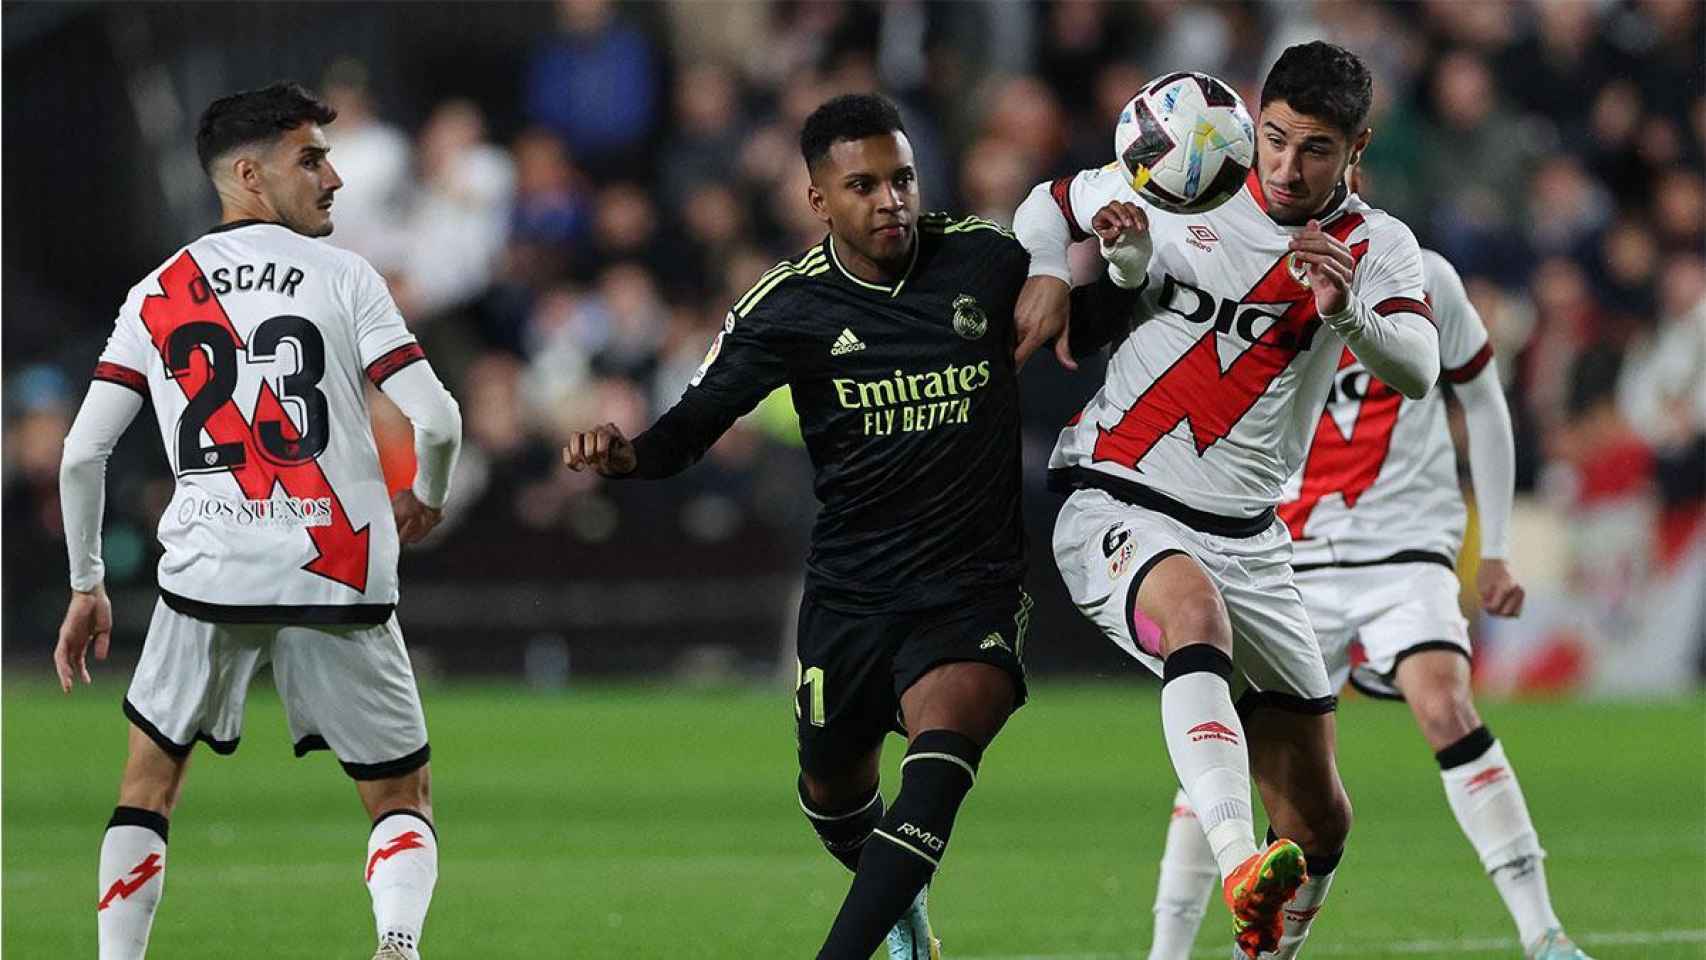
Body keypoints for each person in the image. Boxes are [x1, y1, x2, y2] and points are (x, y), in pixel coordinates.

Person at [562, 93, 1137, 960]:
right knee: (833, 797)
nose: (891, 200)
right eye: (863, 185)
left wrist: (1109, 273)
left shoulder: (983, 260)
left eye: (902, 178)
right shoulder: (785, 309)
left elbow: (1085, 330)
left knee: (939, 775)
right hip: (851, 594)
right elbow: (693, 426)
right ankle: (908, 923)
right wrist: (625, 455)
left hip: (971, 586)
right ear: (819, 202)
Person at [1012, 43, 1439, 957]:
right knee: (1191, 611)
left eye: (1314, 149)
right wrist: (1055, 268)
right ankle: (1240, 858)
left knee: (1321, 821)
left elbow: (1419, 370)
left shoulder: (1375, 246)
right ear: (1254, 119)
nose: (1286, 167)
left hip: (1251, 536)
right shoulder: (1185, 171)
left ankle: (1263, 935)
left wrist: (1345, 312)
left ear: (1355, 149)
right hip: (1116, 497)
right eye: (1276, 138)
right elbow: (1046, 205)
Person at [55, 82, 462, 960]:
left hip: (210, 572)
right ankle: (397, 943)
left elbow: (82, 456)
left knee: (149, 784)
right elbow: (440, 420)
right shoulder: (348, 277)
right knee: (401, 796)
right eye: (310, 159)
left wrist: (88, 584)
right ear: (249, 173)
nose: (334, 178)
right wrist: (427, 492)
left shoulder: (159, 291)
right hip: (338, 566)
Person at [1140, 235, 1594, 960]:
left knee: (1445, 704)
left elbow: (1483, 399)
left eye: (1324, 151)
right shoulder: (1253, 272)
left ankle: (1543, 933)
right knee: (1239, 757)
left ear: (1354, 155)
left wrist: (1498, 546)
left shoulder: (1422, 274)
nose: (1302, 174)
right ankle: (1168, 951)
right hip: (1290, 556)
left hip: (1403, 548)